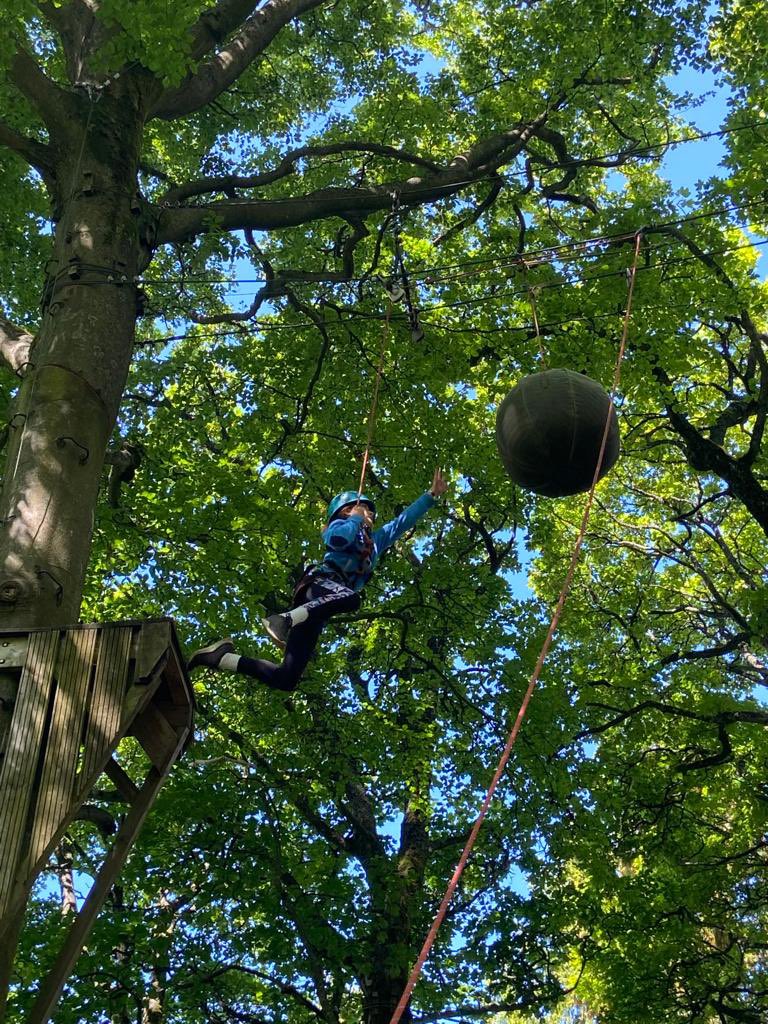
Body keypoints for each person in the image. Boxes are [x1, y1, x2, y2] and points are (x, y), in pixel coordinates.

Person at [188, 469, 448, 692]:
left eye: (370, 512)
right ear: (345, 511)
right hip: (318, 586)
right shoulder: (339, 527)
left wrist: (431, 496)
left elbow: (401, 523)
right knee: (352, 598)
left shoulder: (374, 543)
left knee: (286, 678)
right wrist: (355, 519)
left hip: (319, 609)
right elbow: (337, 541)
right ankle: (284, 620)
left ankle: (221, 658)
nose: (369, 514)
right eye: (363, 508)